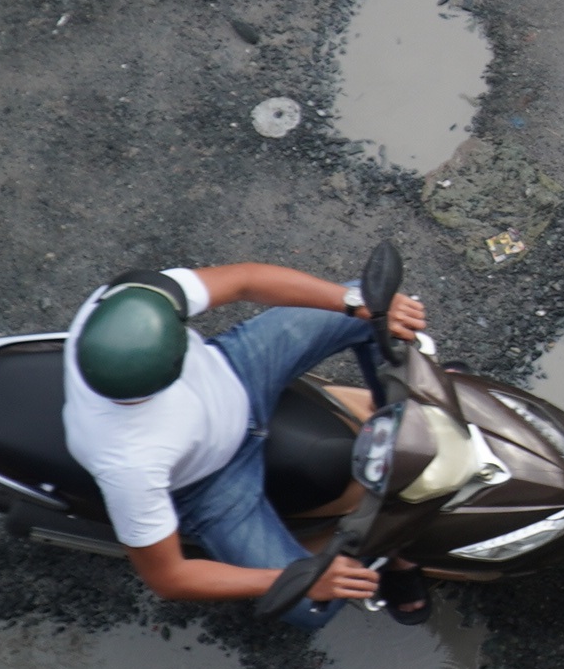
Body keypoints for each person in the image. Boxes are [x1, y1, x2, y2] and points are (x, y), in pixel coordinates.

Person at [62, 263, 429, 630]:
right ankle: (387, 548)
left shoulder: (140, 298)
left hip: (236, 369)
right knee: (310, 608)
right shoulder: (129, 466)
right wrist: (296, 580)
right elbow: (168, 578)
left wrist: (353, 302)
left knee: (376, 310)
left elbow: (244, 281)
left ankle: (402, 408)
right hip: (211, 483)